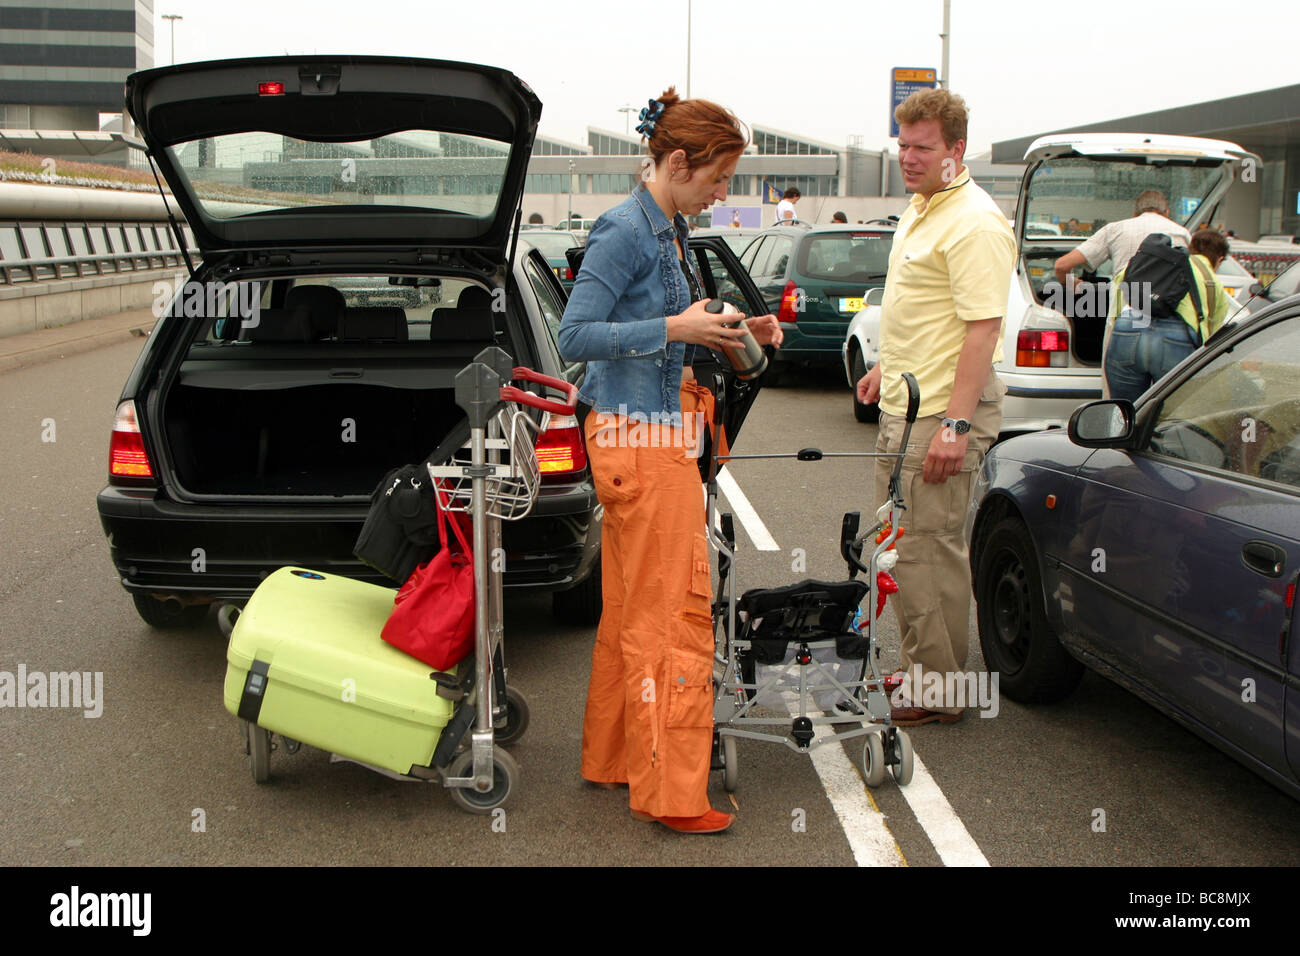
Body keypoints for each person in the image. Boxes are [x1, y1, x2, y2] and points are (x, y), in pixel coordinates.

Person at [557, 87, 781, 834]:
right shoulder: (626, 230)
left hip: (637, 436)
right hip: (643, 442)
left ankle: (614, 757)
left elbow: (659, 329)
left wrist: (734, 329)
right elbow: (574, 338)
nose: (723, 193)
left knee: (628, 612)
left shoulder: (667, 229)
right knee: (673, 620)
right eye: (716, 179)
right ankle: (674, 796)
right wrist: (676, 325)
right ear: (676, 161)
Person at [855, 87, 1014, 726]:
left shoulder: (973, 220)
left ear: (957, 149)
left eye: (923, 147)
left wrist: (955, 424)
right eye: (902, 145)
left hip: (938, 416)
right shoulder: (925, 210)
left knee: (927, 548)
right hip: (906, 404)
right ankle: (927, 669)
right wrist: (885, 366)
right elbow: (927, 312)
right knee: (904, 545)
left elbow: (982, 330)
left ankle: (941, 691)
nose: (908, 157)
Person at [1103, 227, 1231, 402]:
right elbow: (1212, 332)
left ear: (1191, 247)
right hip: (1176, 339)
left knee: (1125, 413)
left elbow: (1119, 293)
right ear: (1219, 259)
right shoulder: (1210, 279)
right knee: (1172, 415)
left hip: (1129, 329)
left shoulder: (1153, 262)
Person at [1053, 190, 1189, 287]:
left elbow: (1061, 266)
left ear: (1135, 214)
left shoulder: (1115, 230)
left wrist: (1074, 284)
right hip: (1171, 318)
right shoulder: (1183, 234)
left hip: (1124, 316)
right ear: (1167, 213)